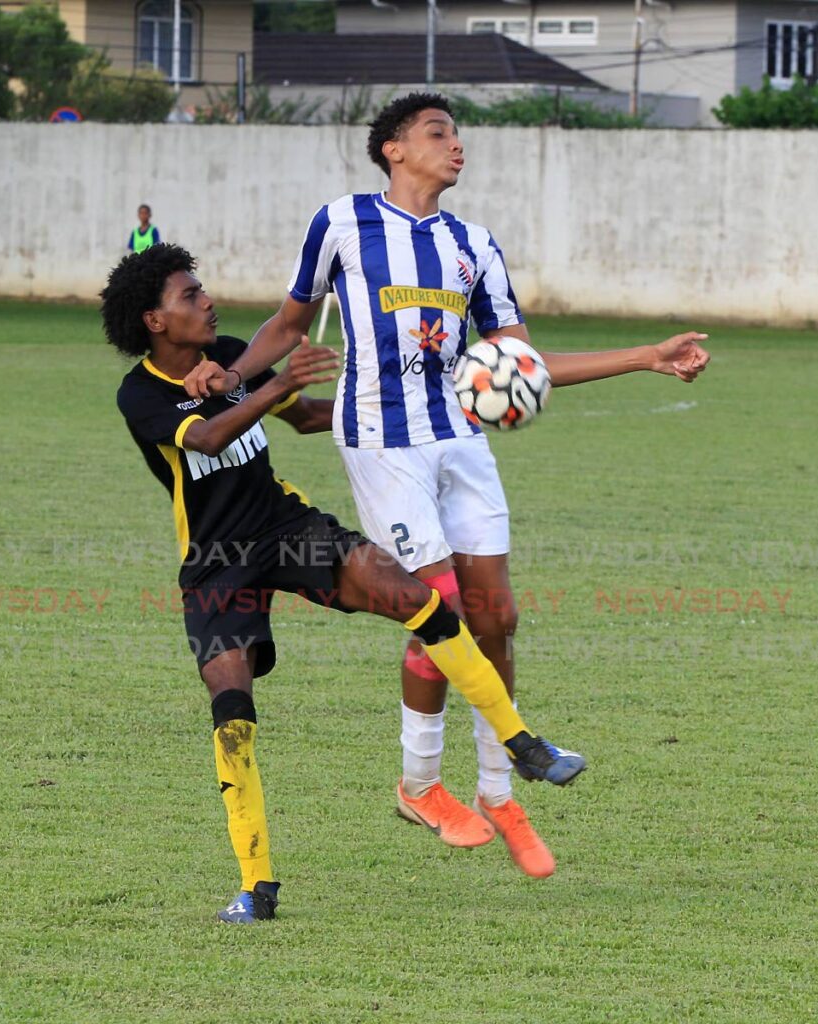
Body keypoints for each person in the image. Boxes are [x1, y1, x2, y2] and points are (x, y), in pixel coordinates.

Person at [183, 92, 710, 879]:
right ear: (393, 149)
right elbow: (289, 325)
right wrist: (230, 375)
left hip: (459, 440)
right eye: (439, 133)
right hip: (382, 443)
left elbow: (521, 363)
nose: (456, 146)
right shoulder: (343, 223)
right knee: (444, 608)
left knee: (498, 614)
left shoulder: (475, 245)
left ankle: (498, 791)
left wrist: (644, 355)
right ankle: (420, 785)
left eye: (458, 135)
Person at [102, 242, 586, 923]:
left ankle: (522, 745)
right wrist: (271, 383)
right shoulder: (141, 393)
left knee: (422, 600)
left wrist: (388, 411)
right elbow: (208, 439)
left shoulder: (233, 355)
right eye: (190, 295)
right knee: (232, 714)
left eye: (201, 288)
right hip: (218, 561)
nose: (207, 300)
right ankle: (257, 886)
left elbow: (300, 417)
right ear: (154, 321)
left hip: (286, 526)